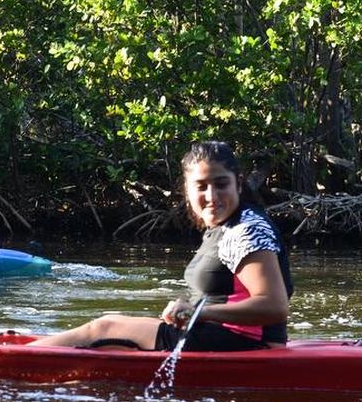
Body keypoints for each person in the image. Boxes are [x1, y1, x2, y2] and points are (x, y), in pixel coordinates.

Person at [31, 140, 293, 350]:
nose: (211, 196)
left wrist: (199, 313)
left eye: (221, 184)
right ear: (187, 191)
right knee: (114, 333)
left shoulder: (246, 228)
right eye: (201, 187)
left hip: (244, 344)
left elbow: (274, 307)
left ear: (238, 181)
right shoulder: (224, 226)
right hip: (219, 336)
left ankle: (13, 358)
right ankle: (32, 350)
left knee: (104, 328)